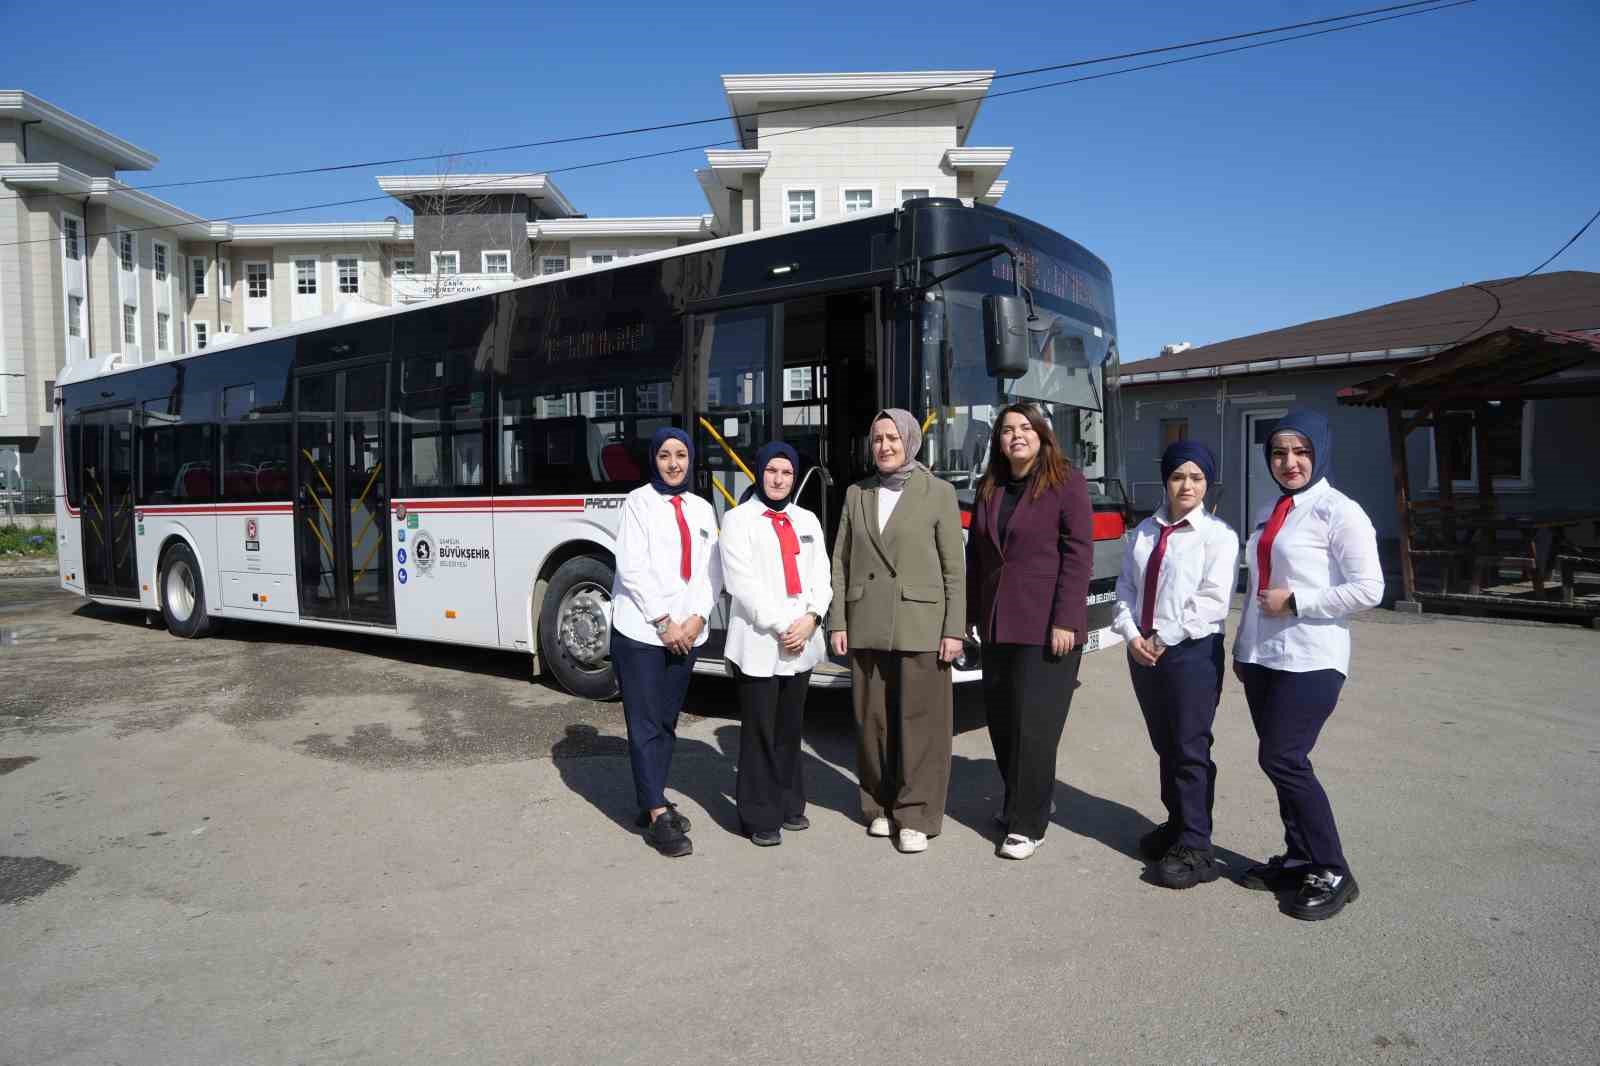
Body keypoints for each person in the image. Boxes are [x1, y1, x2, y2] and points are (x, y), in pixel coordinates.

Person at [1234, 409, 1383, 920]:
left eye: (1301, 451)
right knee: (1283, 764)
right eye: (1279, 452)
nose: (1289, 462)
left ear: (1319, 452)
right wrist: (1243, 650)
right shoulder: (1276, 509)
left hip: (1311, 659)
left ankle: (1333, 869)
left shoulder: (1339, 511)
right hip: (1263, 659)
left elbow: (1370, 589)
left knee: (1283, 759)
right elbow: (1257, 590)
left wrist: (1298, 601)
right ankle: (1300, 858)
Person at [829, 409, 966, 854]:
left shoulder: (939, 492)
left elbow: (953, 568)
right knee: (872, 722)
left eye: (893, 438)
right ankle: (878, 805)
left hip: (922, 624)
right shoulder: (856, 493)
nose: (884, 446)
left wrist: (954, 629)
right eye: (877, 439)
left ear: (910, 441)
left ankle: (917, 814)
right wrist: (838, 620)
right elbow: (841, 562)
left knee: (921, 724)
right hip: (867, 620)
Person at [965, 403, 1094, 860]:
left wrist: (1067, 618)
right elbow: (977, 556)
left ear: (1042, 435)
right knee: (1002, 721)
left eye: (1025, 428)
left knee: (1034, 727)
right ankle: (1024, 797)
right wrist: (968, 612)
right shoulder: (989, 487)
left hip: (1046, 625)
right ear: (998, 440)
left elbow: (1078, 554)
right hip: (998, 621)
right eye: (1006, 430)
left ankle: (1028, 823)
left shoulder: (1067, 483)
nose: (1016, 435)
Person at [1112, 441, 1239, 887]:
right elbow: (1125, 587)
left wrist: (1162, 637)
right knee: (1165, 744)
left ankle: (1198, 845)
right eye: (1179, 476)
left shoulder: (1218, 536)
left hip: (1190, 653)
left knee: (1189, 747)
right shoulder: (1145, 531)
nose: (1187, 485)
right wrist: (1131, 635)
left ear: (1207, 483)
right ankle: (1177, 823)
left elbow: (1212, 600)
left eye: (1197, 477)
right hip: (1144, 652)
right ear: (1166, 480)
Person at [609, 427, 721, 858]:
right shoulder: (638, 502)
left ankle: (650, 796)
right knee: (645, 721)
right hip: (642, 631)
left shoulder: (701, 507)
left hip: (687, 632)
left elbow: (712, 571)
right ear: (653, 459)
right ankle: (657, 811)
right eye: (664, 456)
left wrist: (695, 619)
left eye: (681, 455)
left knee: (668, 720)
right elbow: (632, 567)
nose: (673, 463)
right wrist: (664, 622)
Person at [718, 442, 833, 847]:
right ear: (759, 472)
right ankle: (758, 813)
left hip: (801, 641)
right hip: (760, 642)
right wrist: (786, 624)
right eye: (772, 471)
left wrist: (813, 617)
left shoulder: (808, 520)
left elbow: (822, 575)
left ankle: (789, 803)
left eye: (786, 472)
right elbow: (740, 583)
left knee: (790, 728)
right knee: (759, 730)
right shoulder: (738, 520)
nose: (779, 479)